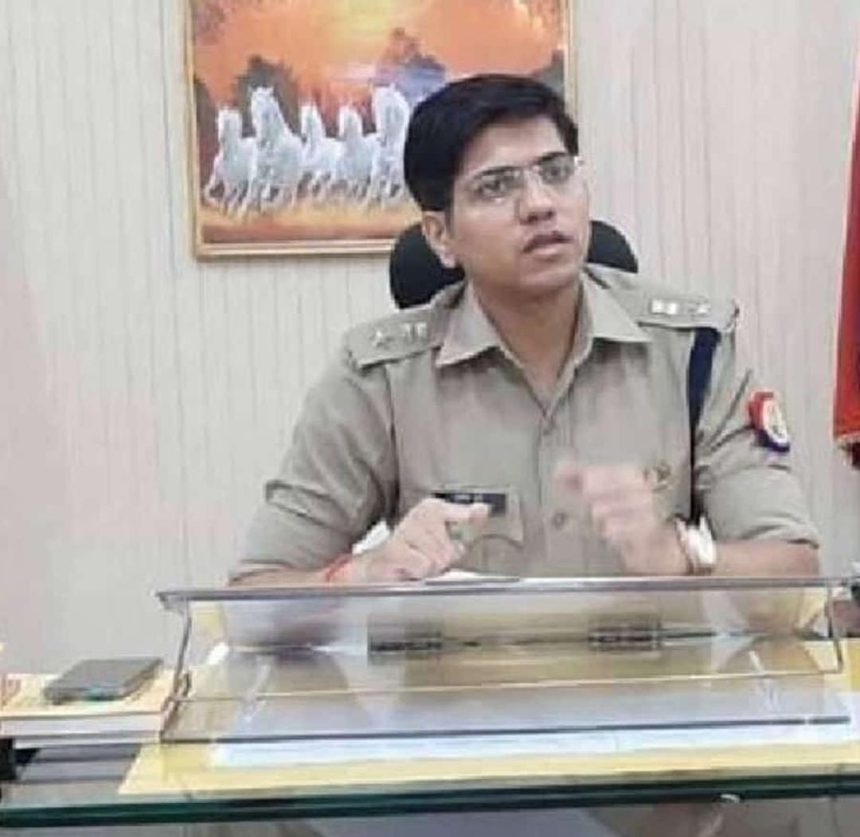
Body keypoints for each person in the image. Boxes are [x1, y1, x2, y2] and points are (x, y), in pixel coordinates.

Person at [236, 73, 818, 587]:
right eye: (496, 186)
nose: (539, 204)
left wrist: (683, 554)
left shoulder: (693, 350)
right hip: (464, 679)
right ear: (440, 235)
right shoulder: (379, 377)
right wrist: (365, 573)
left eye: (556, 172)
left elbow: (795, 572)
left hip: (653, 673)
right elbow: (257, 593)